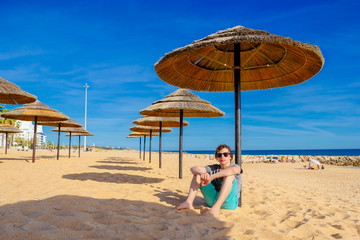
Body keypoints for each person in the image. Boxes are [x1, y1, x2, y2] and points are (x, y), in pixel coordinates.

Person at [176, 144, 242, 215]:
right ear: (217, 157)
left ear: (230, 157)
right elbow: (193, 168)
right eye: (219, 155)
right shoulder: (213, 168)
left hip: (229, 203)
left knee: (229, 176)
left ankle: (216, 208)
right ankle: (188, 202)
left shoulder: (235, 166)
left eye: (225, 154)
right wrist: (201, 173)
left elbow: (232, 171)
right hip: (211, 201)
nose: (222, 156)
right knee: (198, 174)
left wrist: (212, 177)